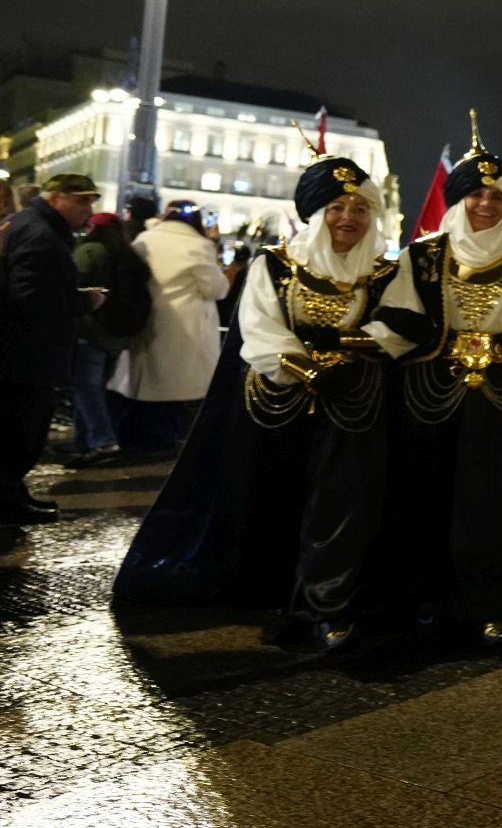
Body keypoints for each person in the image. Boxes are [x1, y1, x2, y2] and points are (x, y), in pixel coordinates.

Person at [114, 150, 399, 650]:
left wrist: (356, 347)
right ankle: (273, 598)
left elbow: (399, 328)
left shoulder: (385, 274)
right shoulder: (275, 265)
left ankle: (327, 604)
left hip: (354, 407)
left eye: (359, 208)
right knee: (275, 501)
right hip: (278, 404)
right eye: (336, 207)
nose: (348, 218)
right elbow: (260, 332)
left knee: (342, 504)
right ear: (316, 212)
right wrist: (310, 368)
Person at [367, 119, 502, 643]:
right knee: (425, 497)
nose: (485, 203)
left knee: (496, 501)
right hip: (428, 395)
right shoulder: (422, 256)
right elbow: (397, 322)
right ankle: (425, 597)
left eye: (495, 195)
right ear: (457, 199)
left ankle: (490, 600)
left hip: (501, 398)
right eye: (474, 194)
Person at [0, 173, 102, 524]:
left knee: (18, 430)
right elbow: (29, 297)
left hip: (23, 352)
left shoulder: (29, 224)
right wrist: (83, 302)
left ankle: (12, 495)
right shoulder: (41, 234)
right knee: (21, 432)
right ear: (55, 197)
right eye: (81, 200)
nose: (88, 208)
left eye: (91, 200)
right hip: (26, 354)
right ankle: (8, 503)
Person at [112, 201, 229, 449]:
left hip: (147, 318)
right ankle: (166, 437)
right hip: (185, 324)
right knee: (178, 386)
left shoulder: (146, 238)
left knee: (147, 382)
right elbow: (216, 289)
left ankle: (136, 436)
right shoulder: (198, 246)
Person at [69, 211, 150, 466]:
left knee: (85, 388)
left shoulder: (91, 250)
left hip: (91, 331)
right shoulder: (131, 255)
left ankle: (103, 442)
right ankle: (84, 442)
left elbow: (73, 282)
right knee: (93, 389)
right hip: (119, 335)